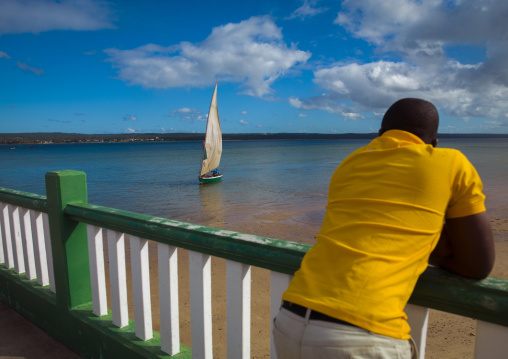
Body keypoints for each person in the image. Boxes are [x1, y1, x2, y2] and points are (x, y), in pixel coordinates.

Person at [272, 98, 495, 359]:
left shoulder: (350, 164)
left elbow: (361, 228)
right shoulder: (452, 162)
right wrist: (431, 244)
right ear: (434, 143)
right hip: (362, 335)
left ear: (380, 135)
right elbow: (476, 265)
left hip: (291, 319)